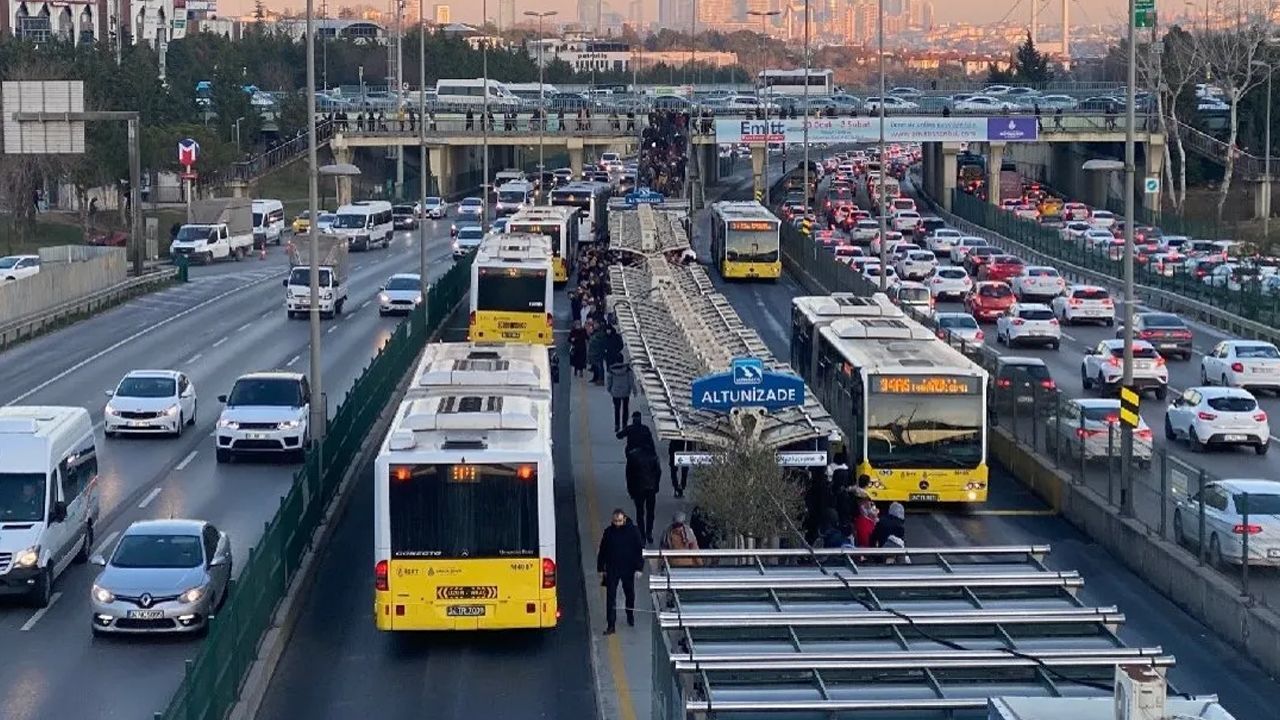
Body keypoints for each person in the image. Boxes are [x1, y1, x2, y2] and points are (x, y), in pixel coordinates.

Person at [596, 509, 644, 635]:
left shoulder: (633, 531)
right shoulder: (608, 532)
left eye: (619, 521)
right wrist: (600, 568)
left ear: (624, 519)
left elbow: (639, 550)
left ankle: (630, 614)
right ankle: (611, 624)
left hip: (628, 569)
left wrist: (639, 568)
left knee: (629, 593)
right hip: (612, 569)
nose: (617, 523)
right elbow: (603, 551)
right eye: (615, 521)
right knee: (610, 597)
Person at [625, 440, 662, 544]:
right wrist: (656, 486)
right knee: (650, 512)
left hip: (638, 488)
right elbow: (658, 472)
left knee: (640, 512)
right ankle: (649, 532)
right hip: (651, 488)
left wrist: (630, 489)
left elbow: (629, 475)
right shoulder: (653, 457)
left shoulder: (633, 456)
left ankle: (642, 534)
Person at [606, 360, 636, 433]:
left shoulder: (612, 370)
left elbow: (609, 380)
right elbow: (631, 381)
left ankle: (617, 425)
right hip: (625, 392)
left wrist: (609, 388)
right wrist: (634, 390)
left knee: (617, 409)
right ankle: (624, 425)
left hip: (615, 392)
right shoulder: (628, 370)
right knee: (625, 408)